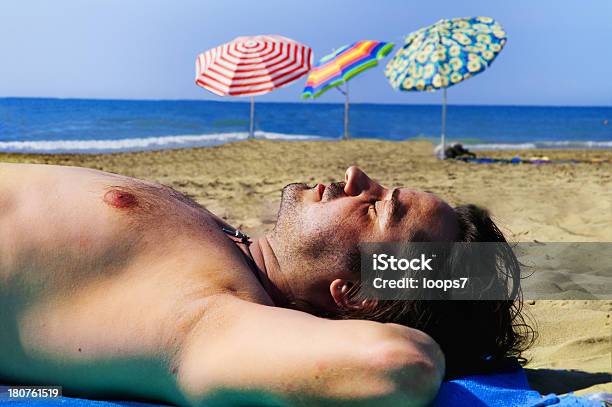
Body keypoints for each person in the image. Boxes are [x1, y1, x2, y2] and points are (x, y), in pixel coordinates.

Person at [0, 163, 530, 406]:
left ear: (357, 293)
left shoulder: (214, 319)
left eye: (375, 209)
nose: (354, 177)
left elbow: (401, 366)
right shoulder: (229, 251)